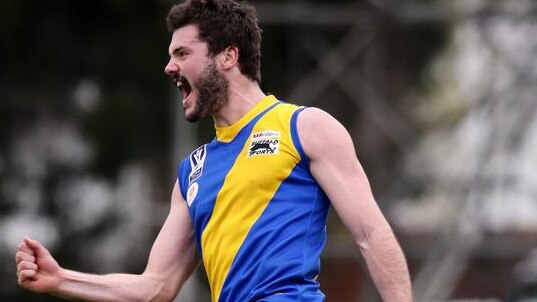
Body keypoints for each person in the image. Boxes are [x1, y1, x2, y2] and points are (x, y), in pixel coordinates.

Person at [15, 0, 413, 301]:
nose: (169, 68)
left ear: (228, 55)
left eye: (182, 54)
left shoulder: (304, 127)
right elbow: (156, 286)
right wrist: (61, 278)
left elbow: (370, 234)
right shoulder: (193, 170)